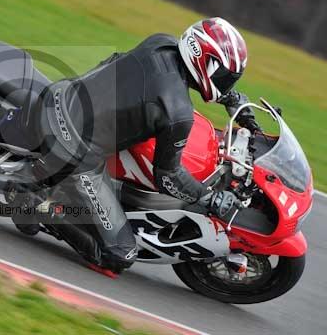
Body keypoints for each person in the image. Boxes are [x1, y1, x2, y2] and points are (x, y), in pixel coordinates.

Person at [14, 17, 259, 273]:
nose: (225, 83)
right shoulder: (178, 112)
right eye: (223, 76)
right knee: (121, 254)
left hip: (63, 95)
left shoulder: (160, 43)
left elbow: (117, 61)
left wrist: (229, 98)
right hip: (74, 149)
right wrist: (208, 198)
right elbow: (168, 178)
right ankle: (37, 206)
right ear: (204, 60)